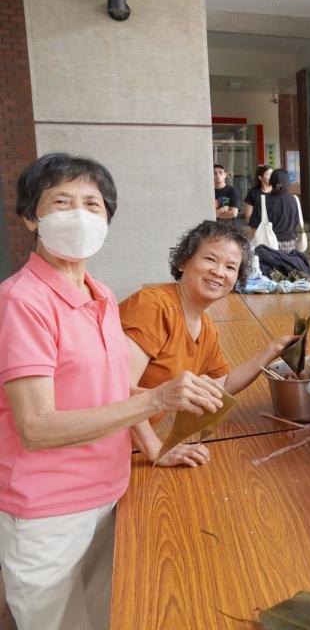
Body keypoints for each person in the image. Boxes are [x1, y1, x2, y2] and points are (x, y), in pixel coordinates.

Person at [0, 154, 222, 630]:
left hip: (111, 493)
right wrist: (158, 399)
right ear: (30, 217)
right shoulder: (22, 301)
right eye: (61, 202)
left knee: (104, 617)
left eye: (93, 204)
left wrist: (155, 446)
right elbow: (36, 427)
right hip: (49, 513)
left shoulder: (99, 295)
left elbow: (115, 385)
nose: (79, 215)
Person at [119, 220, 295, 466]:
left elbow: (220, 386)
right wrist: (155, 449)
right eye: (210, 260)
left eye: (231, 267)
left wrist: (271, 351)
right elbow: (119, 387)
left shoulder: (206, 328)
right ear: (183, 261)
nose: (219, 272)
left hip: (127, 448)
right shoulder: (153, 306)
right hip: (99, 447)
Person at [248, 169, 301, 253]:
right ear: (288, 182)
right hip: (291, 245)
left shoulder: (262, 200)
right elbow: (296, 223)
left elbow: (254, 229)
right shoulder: (294, 199)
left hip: (268, 245)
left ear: (271, 182)